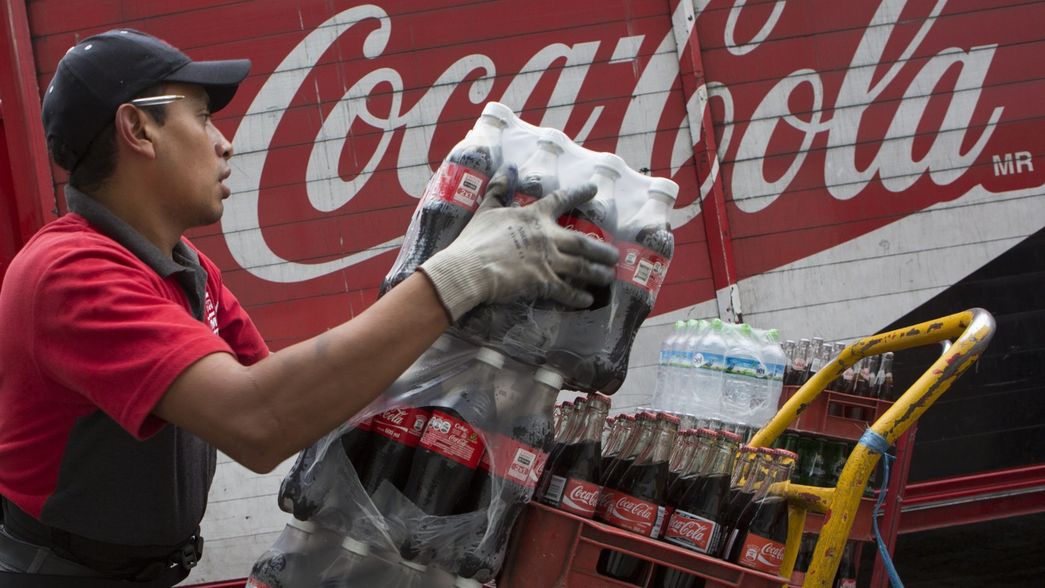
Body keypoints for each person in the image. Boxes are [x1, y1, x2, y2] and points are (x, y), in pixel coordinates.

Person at [0, 29, 618, 586]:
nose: (224, 143)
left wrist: (488, 370)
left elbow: (306, 399)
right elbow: (258, 422)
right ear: (138, 129)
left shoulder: (182, 267)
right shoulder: (72, 275)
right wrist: (458, 274)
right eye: (203, 117)